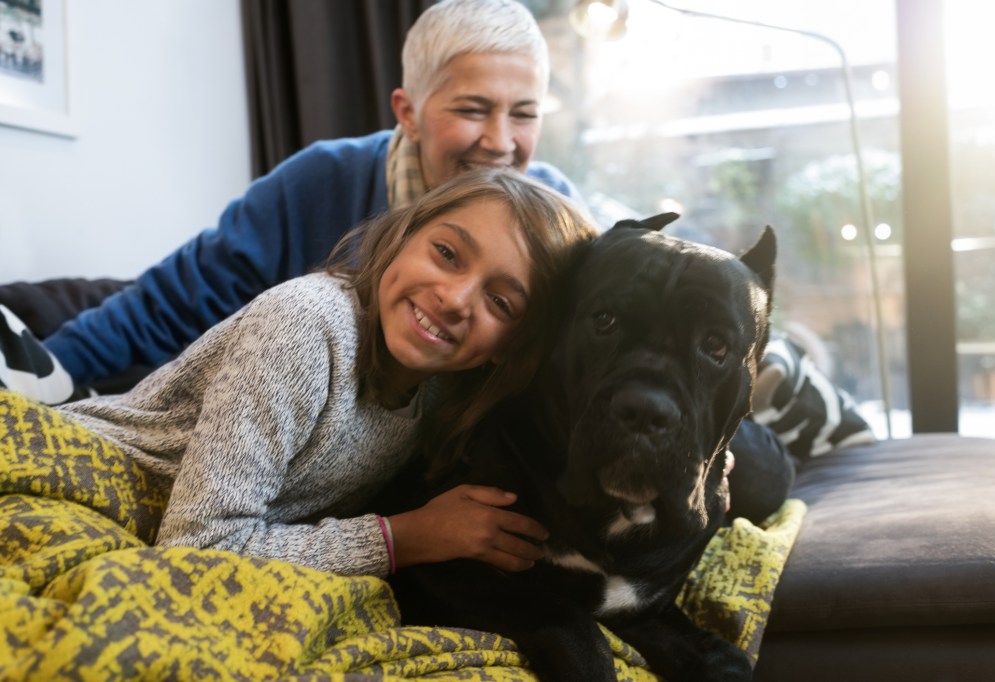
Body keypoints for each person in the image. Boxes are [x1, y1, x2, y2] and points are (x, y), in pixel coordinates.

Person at [5, 169, 596, 579]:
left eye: (501, 303)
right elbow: (199, 546)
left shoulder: (444, 387)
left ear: (510, 347)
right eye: (446, 253)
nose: (455, 297)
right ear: (399, 239)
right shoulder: (306, 326)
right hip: (76, 477)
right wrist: (404, 538)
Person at [38, 0, 577, 393]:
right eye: (472, 109)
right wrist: (44, 374)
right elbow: (170, 302)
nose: (501, 142)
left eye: (524, 114)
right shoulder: (321, 179)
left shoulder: (560, 217)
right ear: (408, 113)